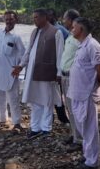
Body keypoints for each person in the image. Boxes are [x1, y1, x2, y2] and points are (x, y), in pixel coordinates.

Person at [12, 9, 64, 139]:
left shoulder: (56, 33)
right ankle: (35, 127)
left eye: (36, 17)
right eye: (33, 17)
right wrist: (21, 65)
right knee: (34, 100)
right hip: (33, 72)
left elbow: (60, 54)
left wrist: (59, 73)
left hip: (48, 72)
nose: (34, 20)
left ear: (44, 17)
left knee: (47, 100)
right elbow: (28, 51)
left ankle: (46, 128)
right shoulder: (34, 32)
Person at [67, 17, 100, 169]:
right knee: (82, 126)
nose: (71, 29)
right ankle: (87, 153)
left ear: (81, 29)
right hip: (78, 93)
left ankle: (92, 162)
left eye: (74, 27)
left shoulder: (93, 45)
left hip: (87, 94)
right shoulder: (82, 44)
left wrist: (93, 88)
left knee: (90, 128)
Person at [0, 11, 25, 131]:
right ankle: (2, 120)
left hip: (11, 72)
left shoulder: (16, 37)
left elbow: (24, 54)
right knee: (0, 97)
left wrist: (20, 67)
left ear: (16, 20)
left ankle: (17, 123)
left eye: (11, 19)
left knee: (13, 98)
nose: (8, 21)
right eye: (7, 19)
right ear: (4, 20)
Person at [60, 9, 83, 153]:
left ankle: (79, 139)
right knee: (69, 108)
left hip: (72, 77)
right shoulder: (69, 36)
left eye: (65, 19)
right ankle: (74, 134)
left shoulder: (79, 38)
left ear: (71, 20)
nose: (63, 21)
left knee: (75, 109)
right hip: (64, 76)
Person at [47, 8, 70, 125]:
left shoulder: (59, 30)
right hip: (50, 66)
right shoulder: (45, 30)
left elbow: (66, 48)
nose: (48, 18)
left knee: (57, 93)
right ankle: (52, 118)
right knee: (52, 93)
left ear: (54, 17)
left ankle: (62, 118)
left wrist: (60, 70)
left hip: (58, 66)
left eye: (50, 16)